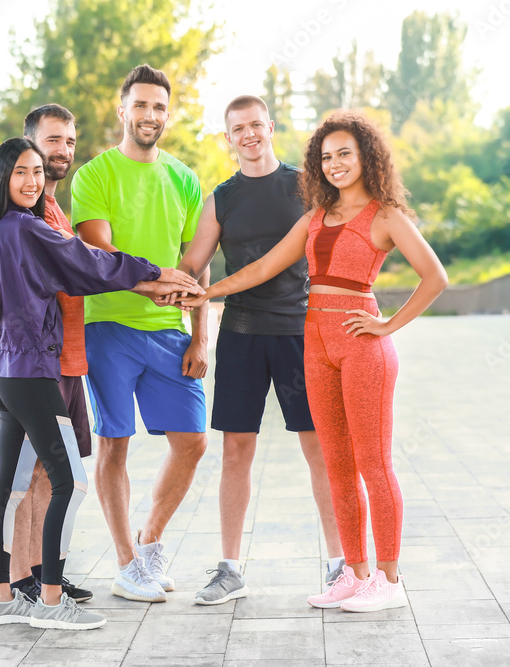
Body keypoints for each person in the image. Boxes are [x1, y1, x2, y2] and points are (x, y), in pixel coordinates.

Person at [177, 110, 447, 612]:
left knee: (373, 463)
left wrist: (387, 326)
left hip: (361, 344)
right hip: (314, 343)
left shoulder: (386, 215)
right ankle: (354, 572)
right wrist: (205, 295)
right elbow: (260, 268)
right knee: (339, 466)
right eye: (326, 157)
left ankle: (388, 581)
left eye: (345, 153)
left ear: (367, 156)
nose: (336, 163)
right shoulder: (315, 217)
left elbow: (435, 277)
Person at [0, 137, 202, 629]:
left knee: (11, 487)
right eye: (21, 172)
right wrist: (153, 271)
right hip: (36, 375)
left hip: (8, 375)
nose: (33, 181)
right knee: (72, 482)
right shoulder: (28, 227)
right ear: (3, 178)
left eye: (38, 172)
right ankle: (49, 601)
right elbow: (87, 262)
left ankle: (0, 600)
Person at [172, 96, 343, 605]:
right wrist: (154, 282)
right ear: (228, 139)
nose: (248, 134)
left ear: (270, 127)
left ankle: (340, 564)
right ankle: (230, 569)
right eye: (237, 129)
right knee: (236, 450)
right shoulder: (220, 199)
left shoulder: (307, 186)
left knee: (318, 448)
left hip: (300, 332)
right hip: (242, 335)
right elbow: (194, 264)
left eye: (255, 125)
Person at [72, 64, 209, 603]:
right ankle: (126, 563)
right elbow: (98, 254)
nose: (149, 115)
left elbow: (198, 269)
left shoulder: (184, 178)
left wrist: (201, 337)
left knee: (193, 442)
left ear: (167, 116)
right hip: (108, 325)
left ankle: (149, 543)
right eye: (141, 105)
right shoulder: (95, 175)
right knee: (115, 443)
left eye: (158, 107)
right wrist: (152, 283)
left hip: (169, 331)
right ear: (121, 109)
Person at [0, 105, 91, 605]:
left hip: (66, 360)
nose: (62, 151)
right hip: (35, 368)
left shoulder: (52, 213)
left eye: (70, 141)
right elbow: (90, 267)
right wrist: (0, 336)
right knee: (34, 481)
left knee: (48, 482)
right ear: (29, 145)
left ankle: (37, 573)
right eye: (53, 141)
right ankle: (24, 583)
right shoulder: (21, 220)